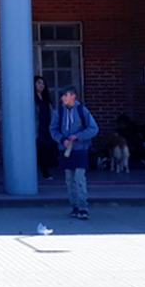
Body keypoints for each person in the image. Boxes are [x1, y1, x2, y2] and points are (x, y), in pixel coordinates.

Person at [49, 85, 99, 220]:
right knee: (69, 180)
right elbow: (53, 129)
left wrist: (78, 136)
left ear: (73, 96)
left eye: (66, 95)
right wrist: (62, 140)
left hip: (80, 150)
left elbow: (93, 129)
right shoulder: (59, 112)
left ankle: (83, 207)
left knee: (79, 178)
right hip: (66, 150)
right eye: (63, 96)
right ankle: (75, 206)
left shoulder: (82, 111)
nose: (64, 98)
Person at [34, 76, 58, 180]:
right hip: (37, 128)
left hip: (47, 126)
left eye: (42, 83)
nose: (41, 85)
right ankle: (45, 172)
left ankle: (46, 169)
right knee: (41, 149)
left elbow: (52, 112)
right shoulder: (31, 99)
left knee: (49, 148)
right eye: (38, 83)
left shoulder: (46, 99)